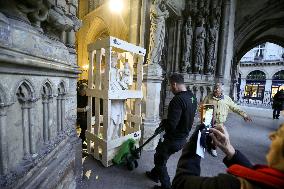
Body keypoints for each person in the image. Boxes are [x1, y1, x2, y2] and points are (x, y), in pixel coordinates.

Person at [172, 124, 284, 189]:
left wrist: (194, 143)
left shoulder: (234, 185)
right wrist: (229, 149)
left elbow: (181, 183)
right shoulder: (275, 181)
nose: (271, 136)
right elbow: (257, 177)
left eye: (280, 134)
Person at [145, 73, 197, 189]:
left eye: (170, 85)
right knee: (163, 155)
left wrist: (164, 125)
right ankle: (155, 174)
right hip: (183, 138)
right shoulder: (192, 97)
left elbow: (172, 124)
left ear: (174, 84)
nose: (170, 88)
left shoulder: (177, 100)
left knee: (159, 158)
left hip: (174, 139)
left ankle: (166, 186)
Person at [201, 83, 252, 156]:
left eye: (217, 88)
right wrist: (203, 118)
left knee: (217, 136)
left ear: (222, 90)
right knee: (207, 134)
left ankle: (213, 148)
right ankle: (206, 146)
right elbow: (203, 106)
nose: (215, 89)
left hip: (219, 122)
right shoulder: (208, 97)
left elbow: (235, 108)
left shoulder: (227, 99)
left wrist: (244, 115)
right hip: (209, 121)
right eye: (215, 88)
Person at [77, 82, 89, 148]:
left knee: (85, 126)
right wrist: (83, 109)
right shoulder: (76, 95)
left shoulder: (85, 96)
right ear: (81, 90)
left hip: (82, 115)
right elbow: (72, 108)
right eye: (85, 91)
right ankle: (78, 142)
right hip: (75, 115)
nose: (86, 93)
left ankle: (81, 141)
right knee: (84, 125)